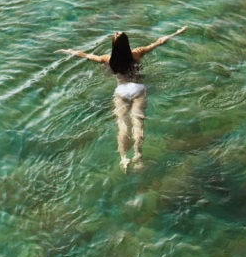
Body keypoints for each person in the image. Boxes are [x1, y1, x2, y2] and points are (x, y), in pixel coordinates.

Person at [60, 27, 186, 168]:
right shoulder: (136, 54)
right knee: (137, 121)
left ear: (113, 46)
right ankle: (137, 155)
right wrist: (177, 32)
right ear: (127, 43)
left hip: (121, 90)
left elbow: (87, 56)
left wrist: (69, 51)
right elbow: (159, 42)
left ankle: (123, 158)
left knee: (122, 125)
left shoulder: (108, 59)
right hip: (138, 88)